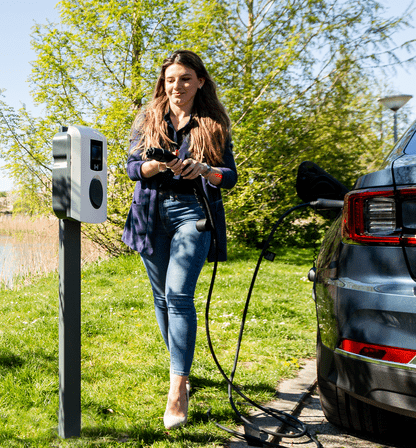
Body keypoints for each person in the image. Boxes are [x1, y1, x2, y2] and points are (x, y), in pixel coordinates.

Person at [122, 50, 237, 429]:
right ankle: (181, 368)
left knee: (178, 296)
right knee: (160, 297)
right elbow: (131, 168)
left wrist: (204, 169)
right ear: (163, 82)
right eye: (171, 79)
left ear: (200, 82)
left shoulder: (214, 123)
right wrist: (152, 166)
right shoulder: (148, 117)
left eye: (185, 78)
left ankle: (177, 389)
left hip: (194, 213)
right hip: (151, 213)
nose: (177, 86)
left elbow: (229, 177)